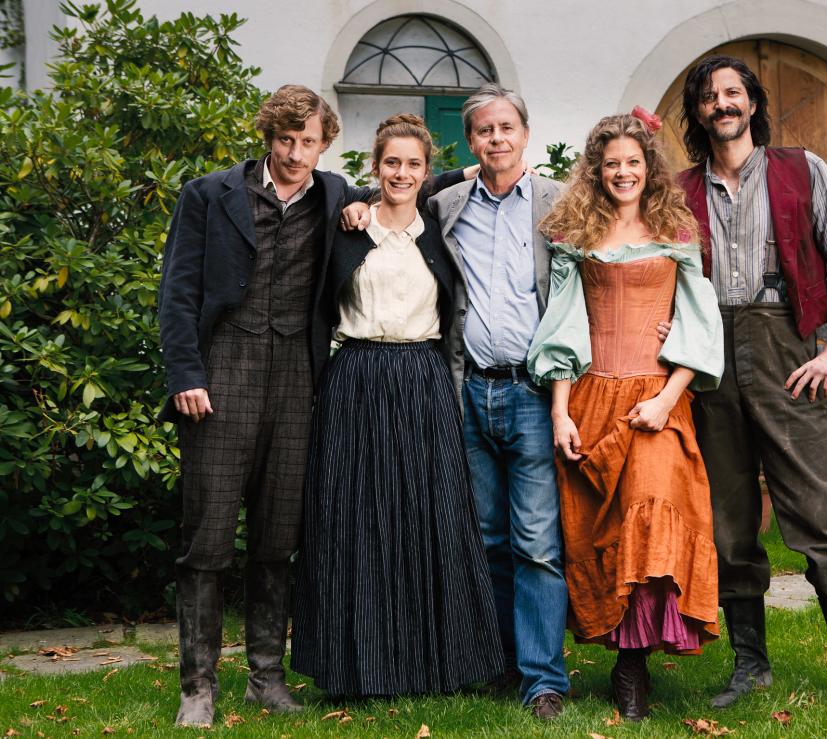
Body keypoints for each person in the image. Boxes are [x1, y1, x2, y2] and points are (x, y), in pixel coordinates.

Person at [157, 85, 371, 727]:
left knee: (278, 538)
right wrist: (185, 373)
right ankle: (197, 686)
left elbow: (407, 182)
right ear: (267, 137)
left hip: (298, 379)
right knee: (207, 539)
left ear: (325, 144)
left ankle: (266, 678)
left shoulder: (335, 194)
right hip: (222, 374)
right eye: (285, 139)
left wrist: (470, 173)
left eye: (308, 142)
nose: (295, 154)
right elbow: (177, 291)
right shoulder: (208, 194)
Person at [676, 55, 827, 720]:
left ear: (753, 103)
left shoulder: (802, 169)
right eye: (710, 96)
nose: (722, 103)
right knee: (727, 523)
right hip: (709, 359)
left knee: (819, 517)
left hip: (785, 349)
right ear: (698, 111)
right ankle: (751, 666)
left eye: (733, 92)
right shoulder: (679, 190)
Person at [289, 114, 503, 697]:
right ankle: (355, 668)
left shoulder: (441, 230)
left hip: (423, 378)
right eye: (391, 163)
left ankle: (434, 665)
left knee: (428, 519)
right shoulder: (349, 225)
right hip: (355, 377)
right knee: (353, 521)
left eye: (412, 164)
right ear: (375, 167)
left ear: (426, 171)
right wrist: (358, 203)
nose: (401, 173)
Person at [526, 110, 724, 721]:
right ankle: (624, 661)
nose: (622, 172)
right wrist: (560, 413)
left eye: (633, 162)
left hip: (658, 400)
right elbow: (562, 326)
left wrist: (667, 398)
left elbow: (699, 322)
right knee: (606, 530)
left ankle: (634, 668)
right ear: (596, 169)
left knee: (652, 512)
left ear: (648, 167)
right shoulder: (575, 234)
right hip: (592, 396)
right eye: (611, 163)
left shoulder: (675, 230)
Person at [427, 83, 571, 720]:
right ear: (470, 141)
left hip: (533, 392)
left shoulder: (558, 202)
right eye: (484, 130)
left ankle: (544, 681)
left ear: (526, 133)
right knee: (487, 538)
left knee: (536, 542)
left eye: (506, 127)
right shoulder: (447, 203)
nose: (496, 139)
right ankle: (504, 661)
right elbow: (391, 189)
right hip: (470, 389)